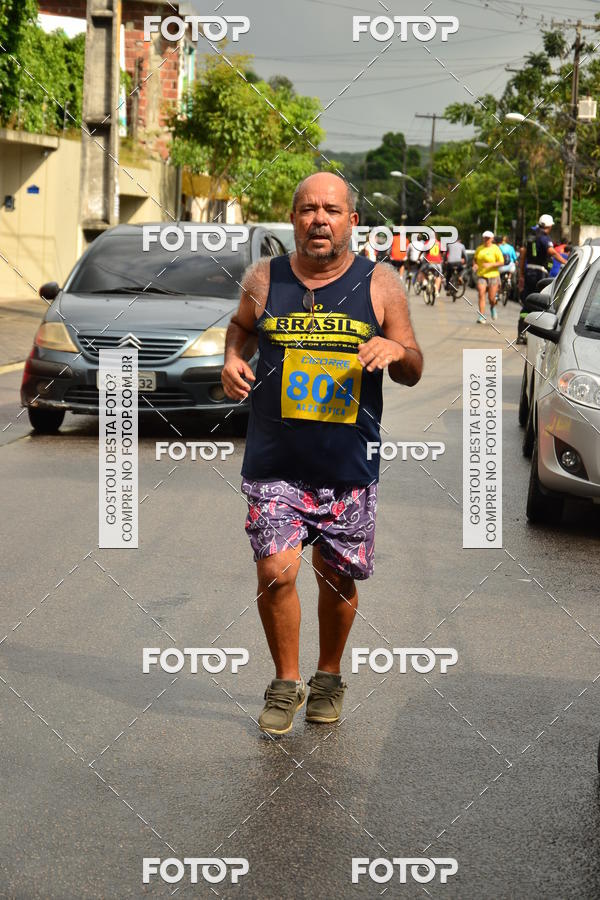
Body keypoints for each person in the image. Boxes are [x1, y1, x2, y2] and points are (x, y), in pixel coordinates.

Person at [221, 172, 423, 736]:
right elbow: (240, 330)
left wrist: (394, 348)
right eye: (308, 209)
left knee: (337, 577)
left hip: (346, 464)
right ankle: (286, 683)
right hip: (274, 461)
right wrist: (232, 358)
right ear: (293, 219)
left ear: (352, 222)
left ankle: (328, 675)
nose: (319, 220)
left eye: (331, 210)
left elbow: (413, 365)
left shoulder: (379, 283)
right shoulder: (265, 278)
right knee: (275, 570)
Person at [517, 214, 568, 343]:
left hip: (529, 272)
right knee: (539, 304)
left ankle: (521, 334)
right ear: (549, 226)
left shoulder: (531, 235)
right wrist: (564, 261)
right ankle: (534, 336)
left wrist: (521, 274)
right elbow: (551, 251)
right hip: (539, 273)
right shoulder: (545, 238)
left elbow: (523, 254)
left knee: (527, 303)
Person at [473, 230, 504, 323]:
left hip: (493, 276)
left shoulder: (496, 249)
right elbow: (475, 259)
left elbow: (501, 262)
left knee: (491, 298)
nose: (486, 239)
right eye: (484, 238)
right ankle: (481, 316)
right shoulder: (479, 248)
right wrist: (475, 265)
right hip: (482, 275)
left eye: (488, 238)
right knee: (481, 293)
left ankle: (492, 307)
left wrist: (491, 265)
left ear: (492, 239)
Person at [417, 232, 443, 297]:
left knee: (421, 271)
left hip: (429, 263)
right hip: (437, 263)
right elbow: (442, 253)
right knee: (439, 276)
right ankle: (436, 291)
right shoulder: (439, 243)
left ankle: (425, 281)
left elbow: (422, 251)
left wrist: (418, 258)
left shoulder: (427, 243)